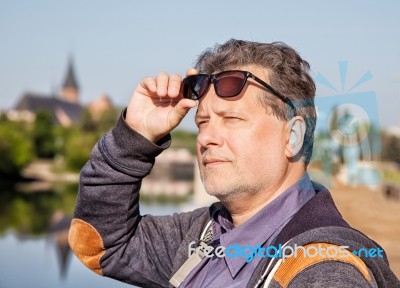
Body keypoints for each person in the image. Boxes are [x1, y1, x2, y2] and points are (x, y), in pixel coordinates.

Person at [68, 39, 399, 287]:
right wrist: (135, 136)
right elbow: (100, 245)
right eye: (202, 123)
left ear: (294, 136)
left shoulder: (323, 270)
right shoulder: (202, 236)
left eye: (232, 119)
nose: (206, 138)